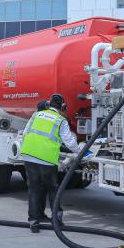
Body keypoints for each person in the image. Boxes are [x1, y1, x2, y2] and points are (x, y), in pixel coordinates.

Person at [20, 94, 80, 233]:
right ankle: (56, 220)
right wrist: (80, 151)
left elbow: (25, 133)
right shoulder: (60, 120)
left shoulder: (37, 115)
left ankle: (34, 221)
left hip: (28, 155)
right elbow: (70, 142)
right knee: (53, 189)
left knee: (34, 189)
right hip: (46, 159)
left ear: (49, 104)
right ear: (62, 107)